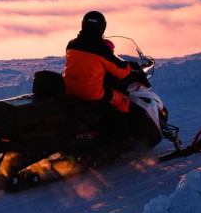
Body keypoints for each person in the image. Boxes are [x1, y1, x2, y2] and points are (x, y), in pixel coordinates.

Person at [63, 11, 152, 149]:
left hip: (68, 90)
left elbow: (85, 64)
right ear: (102, 28)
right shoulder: (101, 48)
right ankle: (120, 141)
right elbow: (120, 70)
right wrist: (131, 66)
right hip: (91, 93)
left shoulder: (72, 44)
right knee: (123, 100)